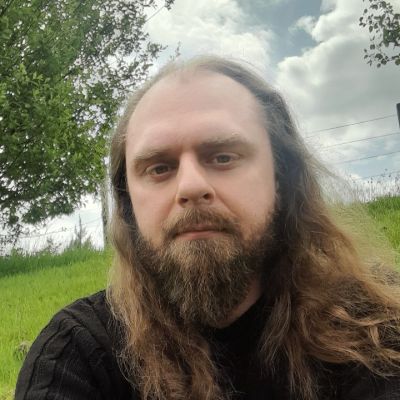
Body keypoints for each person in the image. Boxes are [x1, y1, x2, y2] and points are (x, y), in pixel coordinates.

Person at [16, 56, 400, 400]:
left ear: (280, 178)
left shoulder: (374, 329)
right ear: (128, 201)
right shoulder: (77, 354)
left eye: (223, 157)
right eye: (159, 167)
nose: (190, 186)